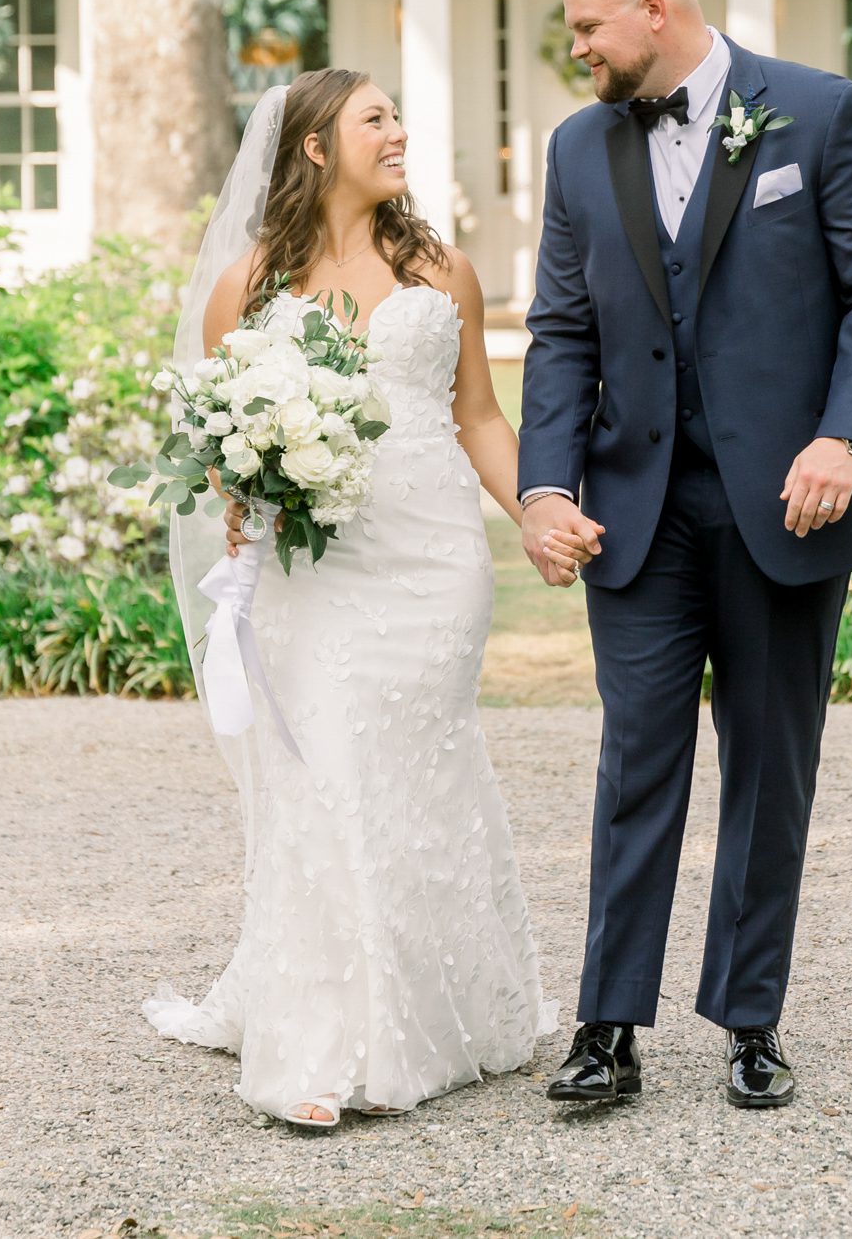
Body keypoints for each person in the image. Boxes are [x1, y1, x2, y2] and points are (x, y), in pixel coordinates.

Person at [517, 0, 852, 1110]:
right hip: (633, 512)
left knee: (768, 762)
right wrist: (548, 487)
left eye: (589, 27)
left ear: (655, 7)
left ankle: (751, 1020)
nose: (578, 48)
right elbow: (560, 332)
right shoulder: (578, 148)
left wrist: (842, 438)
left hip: (787, 507)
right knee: (636, 757)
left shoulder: (817, 111)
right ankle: (608, 1024)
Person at [143, 69, 583, 1129]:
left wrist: (530, 505)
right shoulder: (246, 283)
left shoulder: (443, 269)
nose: (397, 133)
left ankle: (444, 1006)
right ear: (312, 147)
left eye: (396, 116)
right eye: (373, 118)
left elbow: (477, 413)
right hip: (315, 563)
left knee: (416, 765)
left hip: (432, 558)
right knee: (327, 764)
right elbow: (218, 430)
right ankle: (325, 1038)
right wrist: (243, 490)